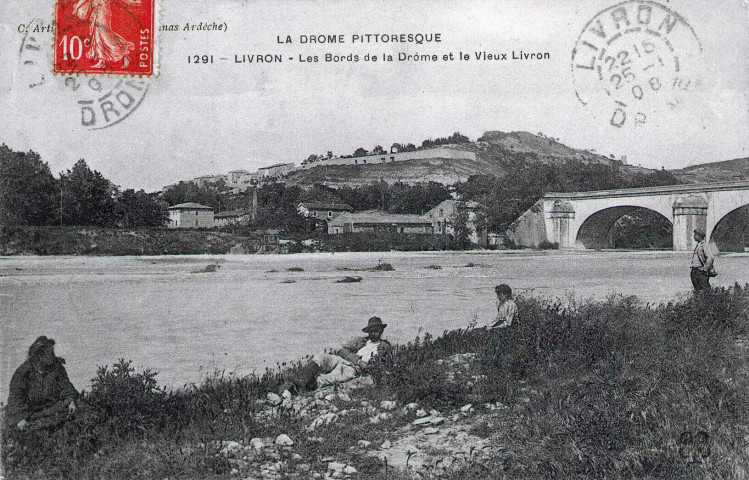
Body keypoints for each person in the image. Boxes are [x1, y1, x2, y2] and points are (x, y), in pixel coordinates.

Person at [274, 317, 392, 398]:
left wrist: (365, 365)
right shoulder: (361, 340)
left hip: (353, 368)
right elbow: (342, 350)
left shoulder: (384, 346)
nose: (373, 334)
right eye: (371, 331)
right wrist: (358, 360)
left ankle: (294, 387)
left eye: (376, 331)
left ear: (381, 331)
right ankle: (302, 379)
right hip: (344, 360)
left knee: (327, 379)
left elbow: (383, 364)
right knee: (321, 357)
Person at [5, 337, 79, 433]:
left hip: (51, 409)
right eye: (49, 352)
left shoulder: (57, 367)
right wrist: (21, 418)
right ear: (39, 356)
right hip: (31, 413)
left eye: (52, 352)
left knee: (76, 410)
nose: (53, 355)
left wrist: (71, 401)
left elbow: (65, 386)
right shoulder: (23, 373)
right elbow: (16, 397)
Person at [691, 228, 715, 292]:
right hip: (694, 271)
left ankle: (707, 301)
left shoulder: (704, 245)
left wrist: (705, 269)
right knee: (697, 290)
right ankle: (698, 301)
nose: (694, 236)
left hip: (701, 271)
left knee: (705, 289)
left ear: (699, 236)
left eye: (695, 234)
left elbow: (710, 258)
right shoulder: (699, 245)